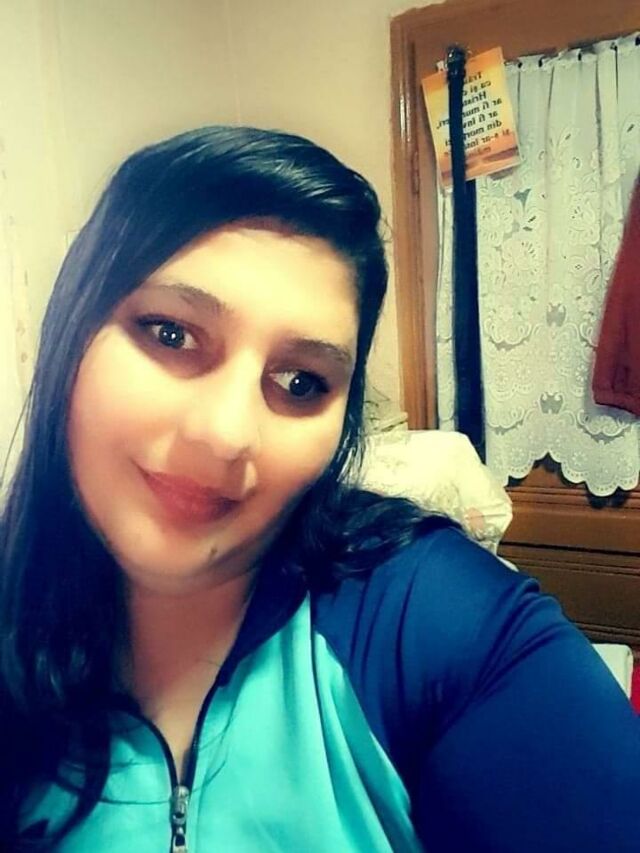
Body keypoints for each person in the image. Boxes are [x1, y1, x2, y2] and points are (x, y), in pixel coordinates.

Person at [1, 126, 638, 853]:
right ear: (71, 329)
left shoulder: (429, 620)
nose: (226, 433)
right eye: (171, 333)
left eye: (301, 381)